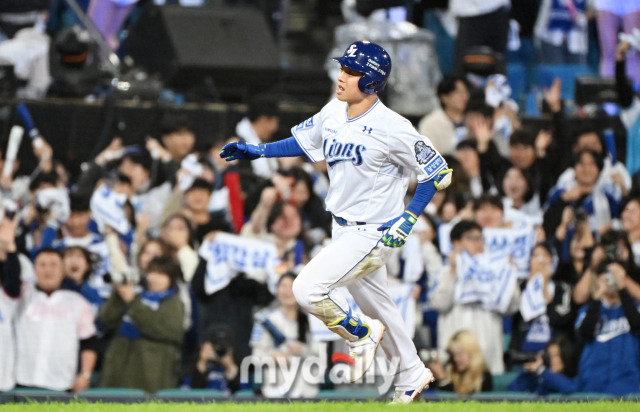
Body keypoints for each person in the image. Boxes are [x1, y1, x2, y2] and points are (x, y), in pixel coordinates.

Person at [220, 40, 453, 404]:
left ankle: (359, 334)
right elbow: (303, 141)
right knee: (379, 305)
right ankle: (411, 372)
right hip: (342, 226)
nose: (341, 76)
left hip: (373, 232)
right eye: (342, 68)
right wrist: (258, 150)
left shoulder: (394, 126)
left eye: (351, 71)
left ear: (372, 82)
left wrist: (408, 218)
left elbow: (438, 172)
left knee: (306, 290)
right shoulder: (334, 112)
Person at [98, 256, 185, 393]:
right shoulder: (136, 296)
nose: (154, 278)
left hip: (152, 372)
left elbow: (163, 330)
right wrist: (118, 295)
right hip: (118, 367)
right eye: (151, 272)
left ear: (171, 278)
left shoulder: (173, 303)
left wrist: (132, 302)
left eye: (161, 274)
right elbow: (106, 320)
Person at [428, 330, 493, 395]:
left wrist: (443, 379)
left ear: (472, 352)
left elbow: (464, 401)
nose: (456, 359)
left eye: (460, 353)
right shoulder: (450, 372)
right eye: (453, 354)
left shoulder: (483, 376)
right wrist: (441, 379)